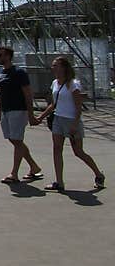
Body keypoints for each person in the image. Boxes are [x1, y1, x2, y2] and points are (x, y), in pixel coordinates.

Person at [36, 56, 105, 192]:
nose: (53, 68)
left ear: (63, 67)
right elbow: (53, 104)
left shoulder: (73, 84)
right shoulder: (55, 83)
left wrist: (74, 125)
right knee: (57, 149)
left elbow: (78, 107)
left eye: (56, 65)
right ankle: (59, 182)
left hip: (72, 121)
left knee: (78, 152)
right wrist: (40, 117)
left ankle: (98, 174)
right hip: (58, 119)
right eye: (53, 65)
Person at [0, 46, 43, 184]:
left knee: (17, 140)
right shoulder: (2, 73)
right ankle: (34, 167)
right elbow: (1, 93)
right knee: (15, 140)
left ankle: (14, 173)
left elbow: (28, 93)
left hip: (18, 110)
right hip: (6, 110)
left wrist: (31, 114)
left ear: (8, 56)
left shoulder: (19, 73)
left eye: (0, 55)